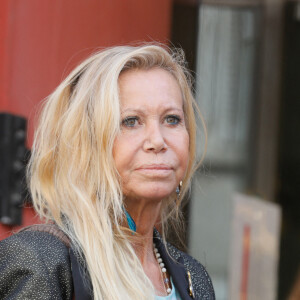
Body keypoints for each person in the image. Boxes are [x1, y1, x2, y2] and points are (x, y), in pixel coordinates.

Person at [0, 44, 215, 300]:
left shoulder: (194, 277)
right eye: (131, 121)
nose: (157, 141)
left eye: (171, 119)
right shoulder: (39, 263)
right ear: (87, 144)